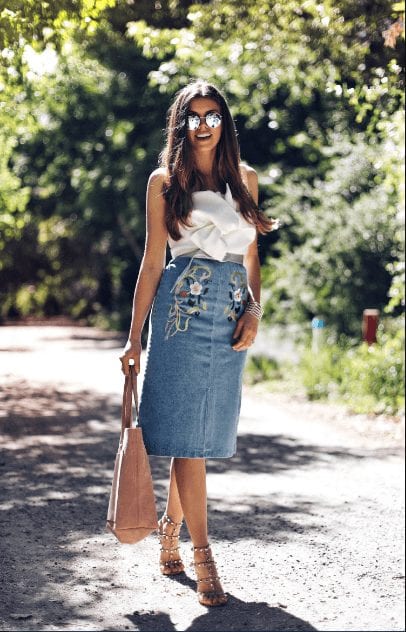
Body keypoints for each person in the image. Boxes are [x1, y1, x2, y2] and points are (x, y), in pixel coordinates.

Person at [119, 80, 276, 607]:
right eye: (195, 115)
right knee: (191, 435)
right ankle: (203, 555)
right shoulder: (164, 181)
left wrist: (254, 311)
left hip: (231, 308)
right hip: (182, 311)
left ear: (223, 123)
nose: (204, 123)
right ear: (181, 124)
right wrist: (133, 337)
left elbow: (252, 258)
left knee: (202, 429)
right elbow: (151, 261)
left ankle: (170, 531)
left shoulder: (245, 178)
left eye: (213, 115)